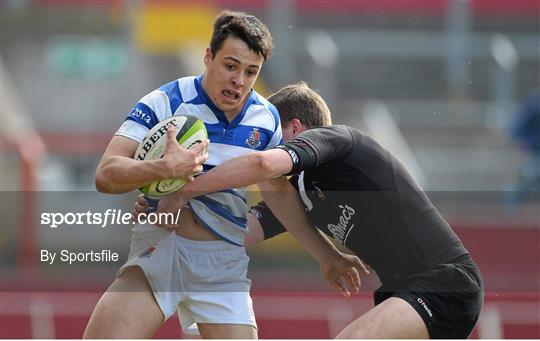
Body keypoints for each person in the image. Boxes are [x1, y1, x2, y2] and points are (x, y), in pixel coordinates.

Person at [135, 82, 484, 338]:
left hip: (445, 282)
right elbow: (232, 233)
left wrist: (187, 187)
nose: (262, 139)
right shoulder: (297, 191)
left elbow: (259, 164)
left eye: (271, 133)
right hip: (406, 292)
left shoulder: (338, 141)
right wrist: (164, 212)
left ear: (296, 129)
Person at [85, 10, 286, 339]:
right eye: (230, 66)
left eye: (251, 72)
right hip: (162, 248)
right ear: (208, 57)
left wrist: (325, 254)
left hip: (223, 264)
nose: (239, 80)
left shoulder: (267, 120)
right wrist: (164, 168)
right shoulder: (165, 101)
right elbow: (105, 174)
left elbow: (280, 197)